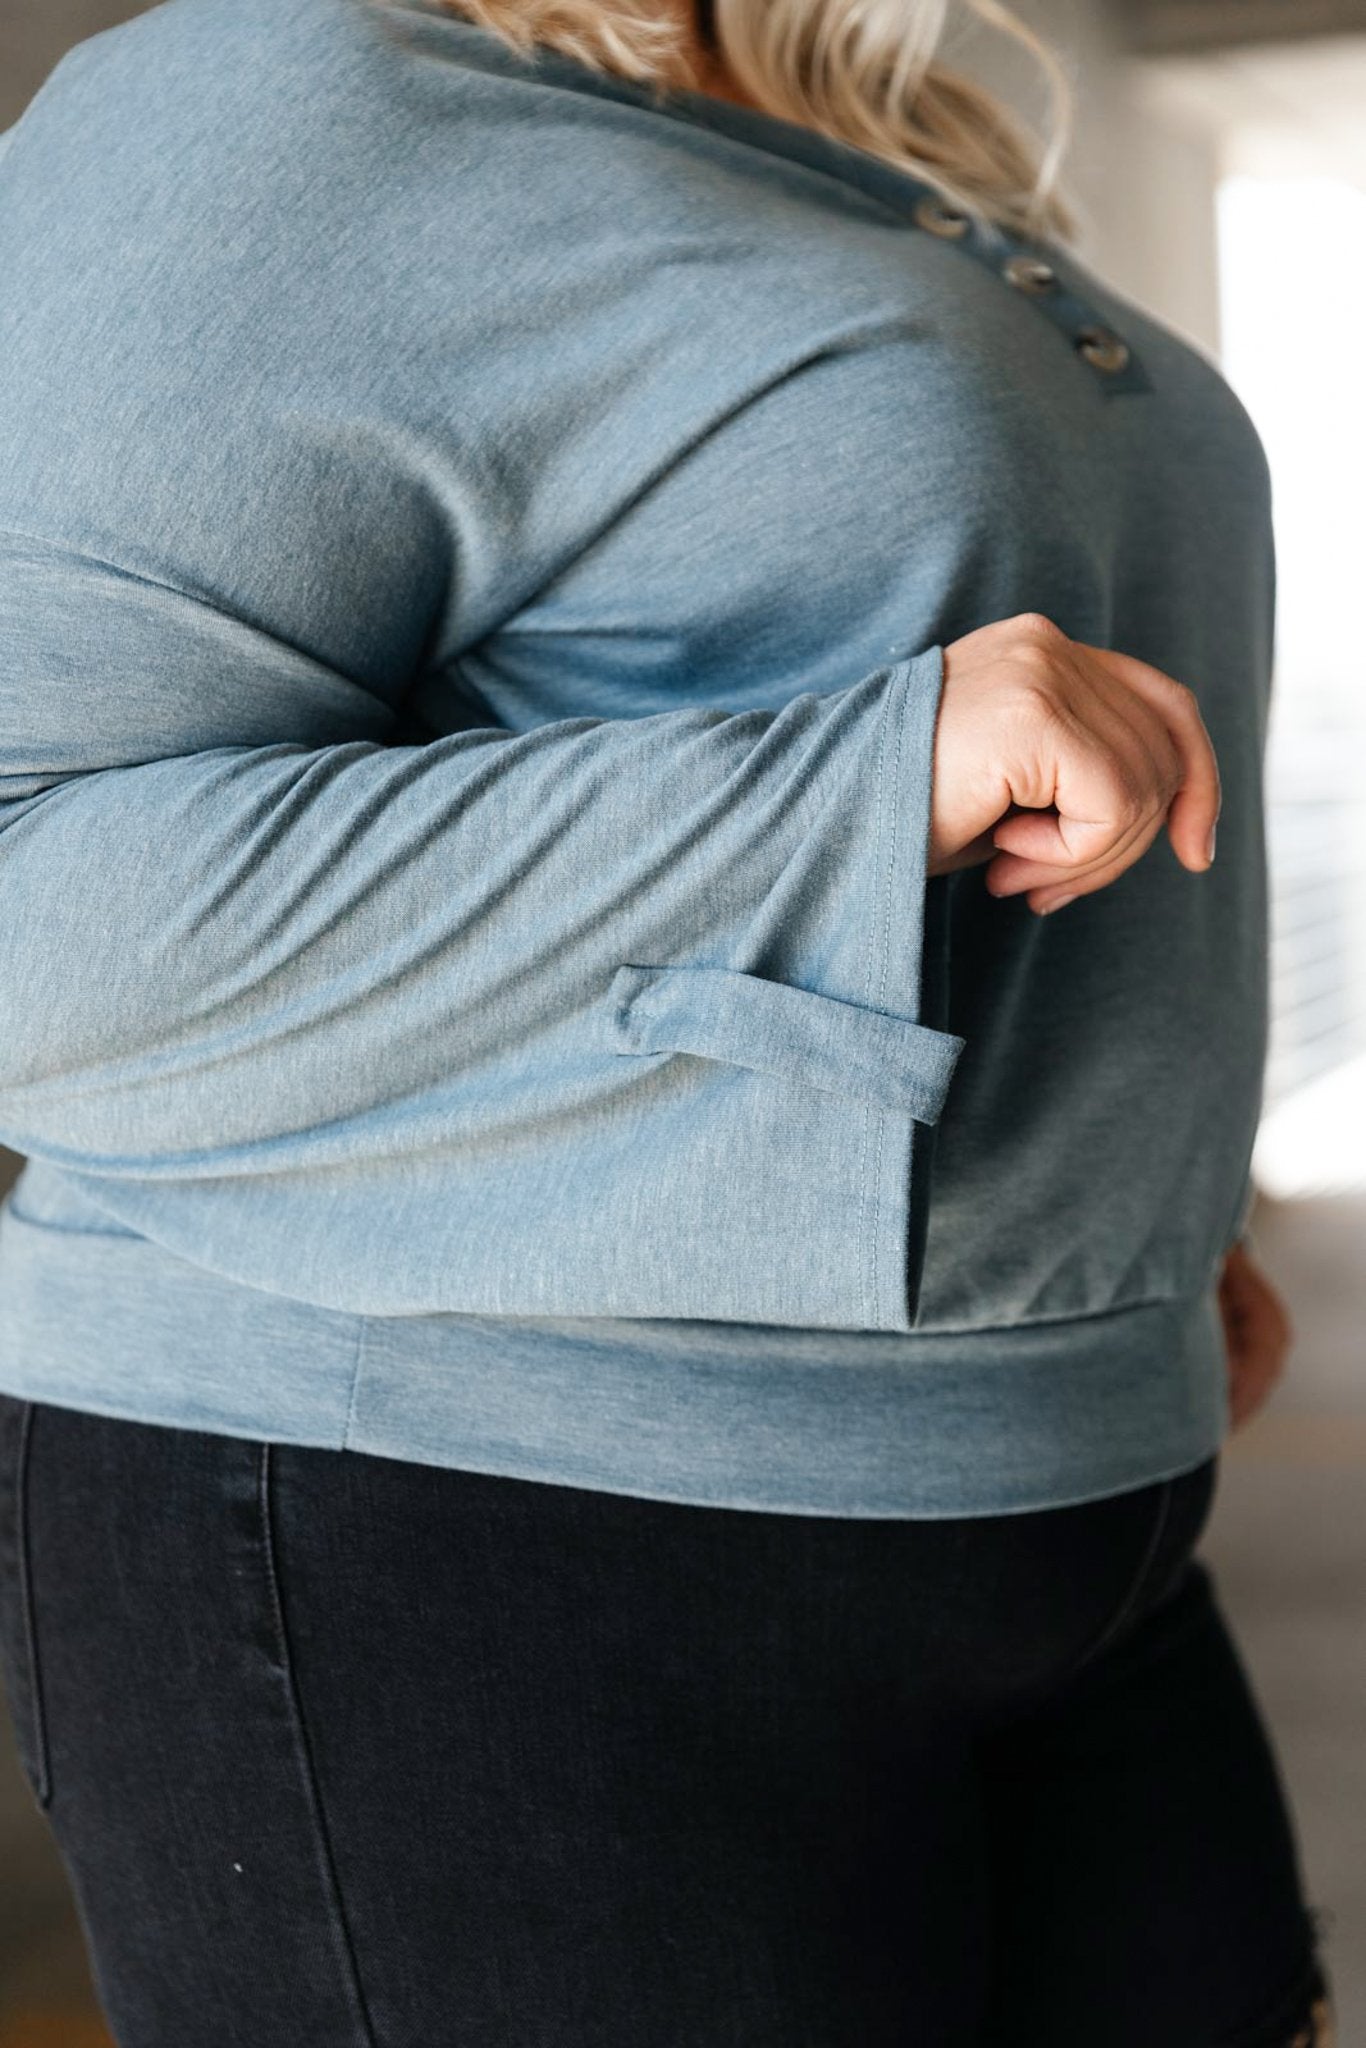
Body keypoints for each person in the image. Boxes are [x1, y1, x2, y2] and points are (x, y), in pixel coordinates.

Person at [0, 0, 1337, 2038]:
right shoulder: (278, 107)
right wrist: (849, 785)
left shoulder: (890, 150)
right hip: (464, 1540)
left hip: (1070, 1502)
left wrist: (1129, 1207)